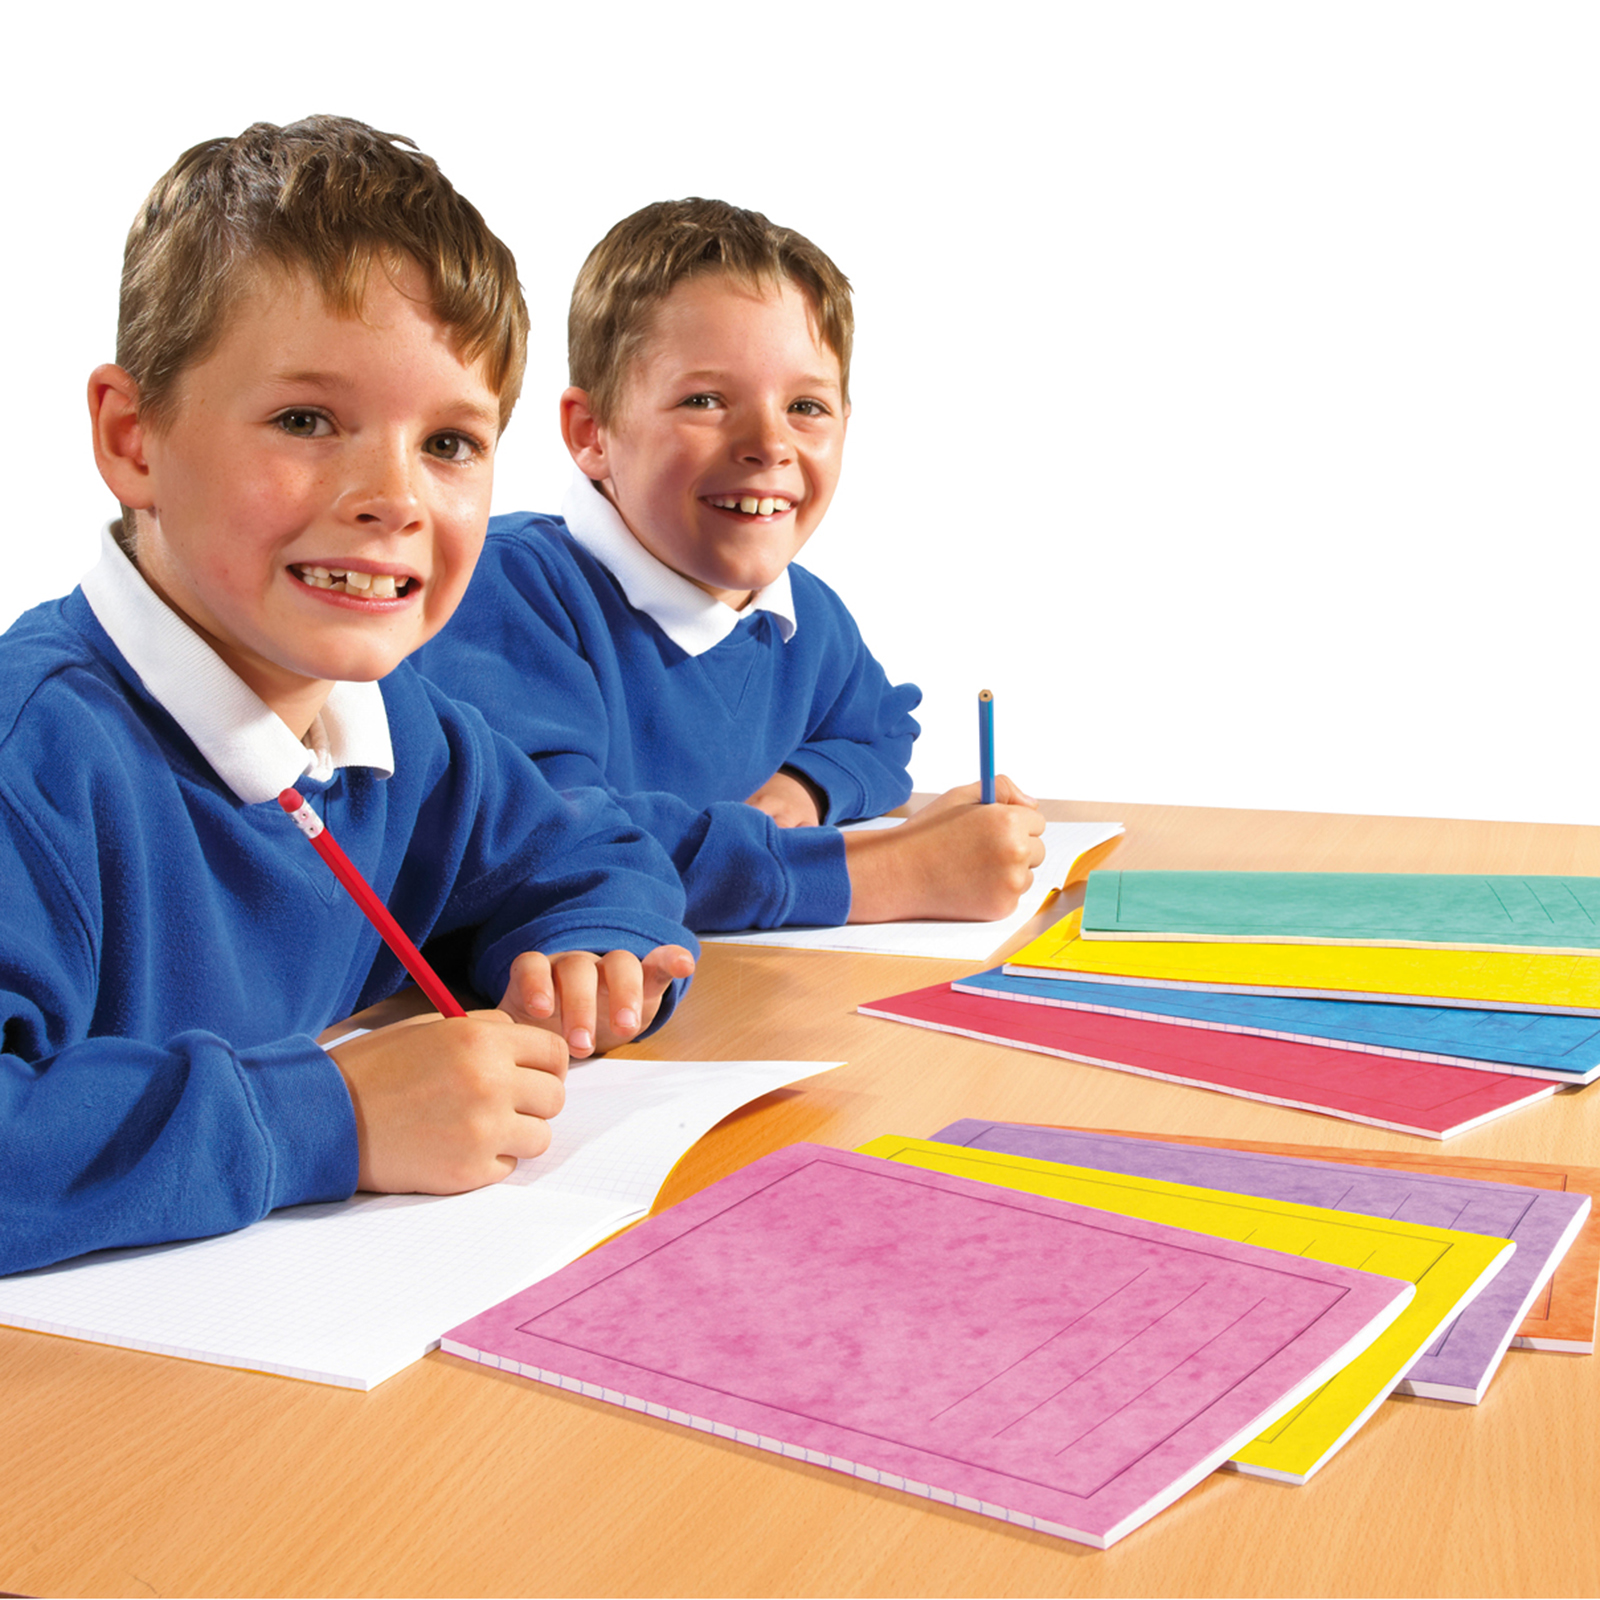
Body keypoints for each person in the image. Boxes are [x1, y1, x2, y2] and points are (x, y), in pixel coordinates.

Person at [0, 117, 696, 1277]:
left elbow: (595, 852)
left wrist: (591, 943)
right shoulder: (36, 758)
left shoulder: (393, 727)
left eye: (451, 443)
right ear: (133, 439)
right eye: (306, 421)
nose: (393, 497)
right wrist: (335, 1116)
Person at [415, 198, 1046, 933]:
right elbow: (559, 845)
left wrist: (806, 787)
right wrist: (893, 873)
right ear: (592, 434)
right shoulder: (509, 593)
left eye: (806, 406)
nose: (769, 445)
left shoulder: (801, 615)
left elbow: (879, 732)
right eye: (707, 399)